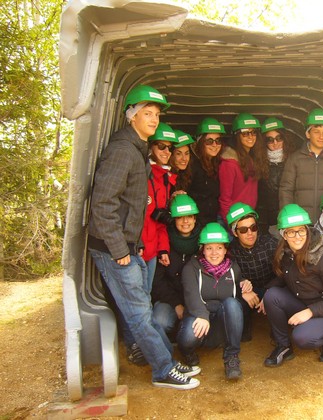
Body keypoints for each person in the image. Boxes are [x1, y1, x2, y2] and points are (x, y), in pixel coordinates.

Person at [87, 84, 200, 390]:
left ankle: (166, 360)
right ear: (131, 117)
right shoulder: (123, 152)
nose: (153, 119)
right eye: (146, 113)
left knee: (142, 310)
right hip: (114, 248)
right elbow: (103, 204)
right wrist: (119, 249)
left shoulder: (136, 148)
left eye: (156, 114)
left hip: (130, 246)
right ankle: (163, 370)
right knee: (138, 312)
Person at [263, 204, 323, 367]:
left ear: (307, 231)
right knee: (272, 296)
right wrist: (266, 293)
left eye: (301, 230)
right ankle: (283, 346)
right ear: (283, 234)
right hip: (304, 303)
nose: (297, 236)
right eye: (291, 231)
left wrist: (310, 312)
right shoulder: (287, 255)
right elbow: (283, 278)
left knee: (302, 338)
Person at [178, 222, 255, 380]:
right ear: (202, 250)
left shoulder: (233, 268)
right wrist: (202, 315)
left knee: (233, 304)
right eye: (209, 248)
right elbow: (191, 295)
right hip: (199, 317)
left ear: (225, 249)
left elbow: (238, 283)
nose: (214, 253)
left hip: (219, 323)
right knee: (187, 338)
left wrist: (245, 287)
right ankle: (188, 352)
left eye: (219, 248)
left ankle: (231, 357)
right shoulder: (191, 268)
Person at [279, 108, 323, 222]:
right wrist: (288, 218)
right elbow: (286, 190)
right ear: (308, 134)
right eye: (316, 132)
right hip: (302, 222)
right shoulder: (295, 159)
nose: (321, 137)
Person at [151, 194, 201, 340]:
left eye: (189, 216)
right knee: (160, 321)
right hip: (170, 299)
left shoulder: (204, 243)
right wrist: (176, 304)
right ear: (173, 220)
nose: (185, 221)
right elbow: (157, 281)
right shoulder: (164, 245)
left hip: (196, 299)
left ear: (195, 218)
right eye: (180, 217)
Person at [226, 202, 277, 341]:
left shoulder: (270, 243)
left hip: (271, 287)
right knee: (236, 301)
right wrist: (241, 288)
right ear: (235, 232)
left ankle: (279, 334)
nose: (250, 233)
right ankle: (243, 331)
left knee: (278, 297)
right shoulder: (230, 252)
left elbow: (284, 274)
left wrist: (270, 292)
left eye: (253, 228)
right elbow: (225, 277)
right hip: (249, 291)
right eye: (243, 230)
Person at [142, 122, 178, 291]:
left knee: (146, 295)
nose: (166, 152)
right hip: (138, 250)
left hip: (152, 251)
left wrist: (162, 248)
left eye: (169, 148)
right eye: (161, 146)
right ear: (151, 147)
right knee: (137, 301)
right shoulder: (142, 173)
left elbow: (160, 218)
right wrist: (137, 245)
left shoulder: (165, 178)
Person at [218, 113, 268, 223]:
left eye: (253, 132)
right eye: (245, 133)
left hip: (248, 217)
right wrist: (232, 225)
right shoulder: (229, 163)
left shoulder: (252, 157)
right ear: (237, 136)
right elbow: (225, 199)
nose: (250, 137)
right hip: (234, 219)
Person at [256, 117, 297, 235]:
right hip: (269, 221)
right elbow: (260, 200)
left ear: (285, 138)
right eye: (270, 139)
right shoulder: (259, 163)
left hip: (291, 216)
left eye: (279, 138)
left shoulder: (294, 159)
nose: (275, 143)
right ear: (264, 142)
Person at [188, 117, 225, 227]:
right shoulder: (191, 164)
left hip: (214, 220)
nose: (214, 145)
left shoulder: (219, 163)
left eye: (218, 140)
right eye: (209, 141)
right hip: (194, 224)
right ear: (200, 142)